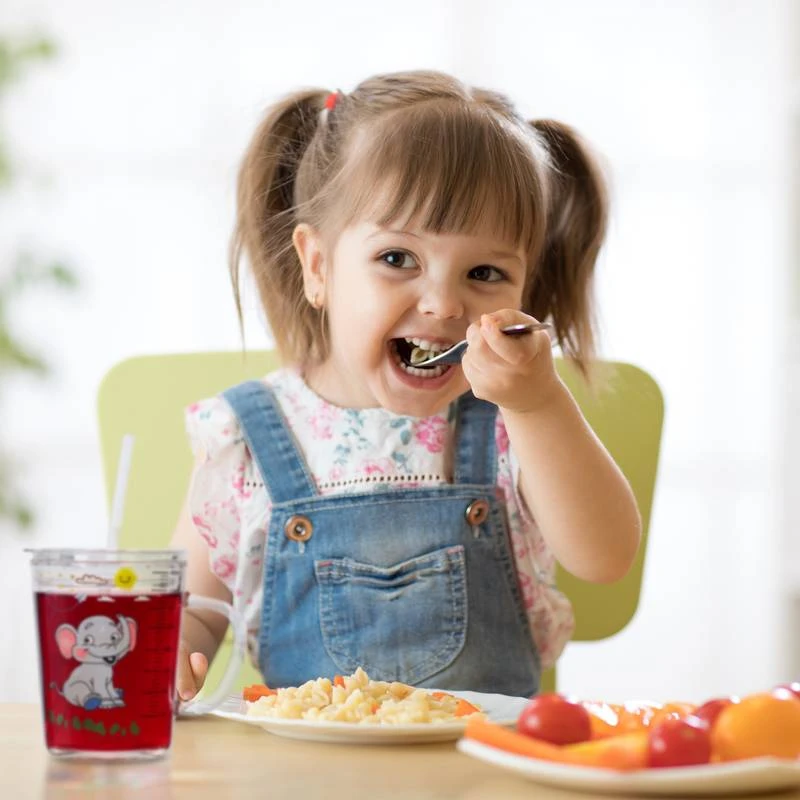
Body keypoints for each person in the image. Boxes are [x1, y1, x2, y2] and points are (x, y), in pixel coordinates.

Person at [170, 70, 641, 701]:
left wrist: (539, 404)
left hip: (483, 758)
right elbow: (196, 611)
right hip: (304, 759)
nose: (444, 304)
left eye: (484, 272)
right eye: (397, 259)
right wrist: (174, 647)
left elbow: (605, 558)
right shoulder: (245, 439)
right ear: (318, 265)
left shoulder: (516, 425)